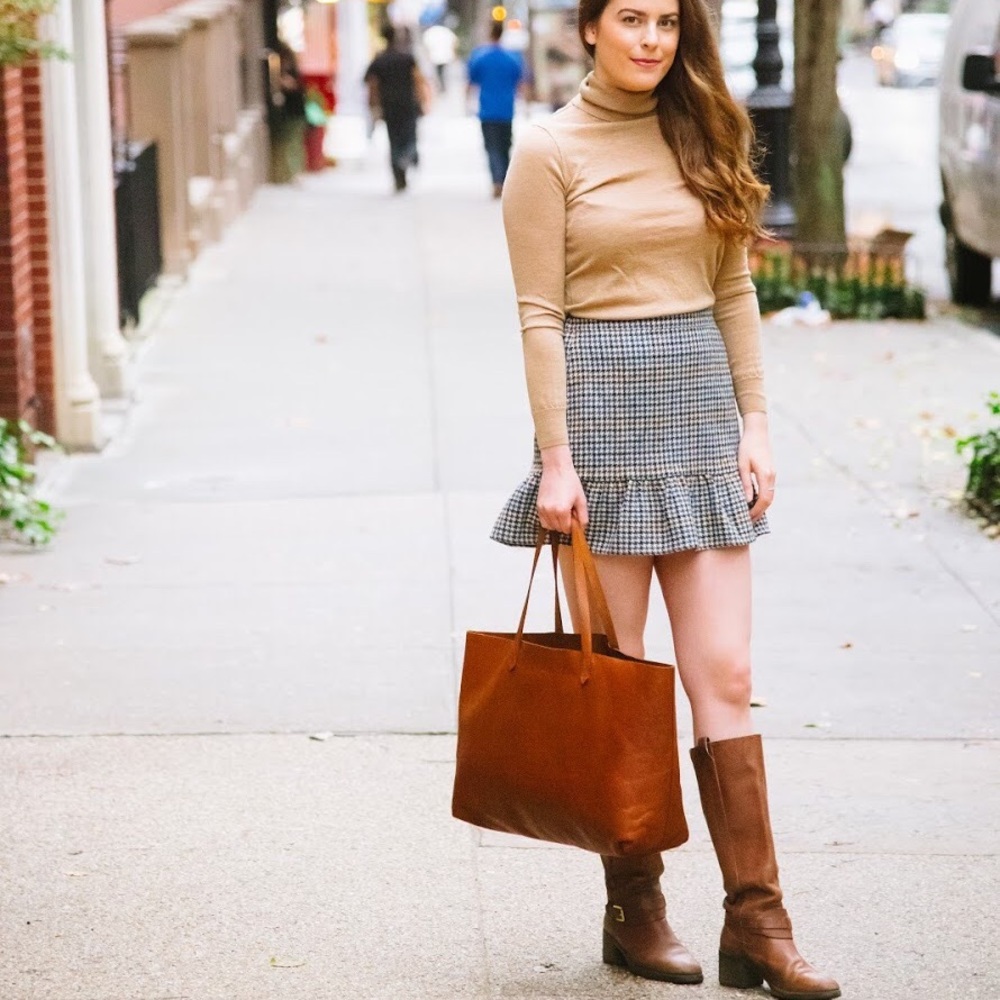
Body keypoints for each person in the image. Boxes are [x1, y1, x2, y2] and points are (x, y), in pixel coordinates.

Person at [491, 0, 842, 997]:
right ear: (590, 28)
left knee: (723, 670)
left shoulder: (709, 129)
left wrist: (757, 424)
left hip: (698, 419)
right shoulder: (547, 151)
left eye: (666, 22)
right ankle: (634, 907)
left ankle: (757, 925)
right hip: (598, 425)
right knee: (625, 687)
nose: (650, 39)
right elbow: (538, 317)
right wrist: (556, 460)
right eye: (630, 18)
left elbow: (734, 288)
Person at [364, 24, 431, 192]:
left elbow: (372, 84)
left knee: (394, 140)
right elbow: (418, 80)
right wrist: (423, 101)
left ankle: (398, 175)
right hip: (408, 105)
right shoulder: (407, 58)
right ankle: (407, 158)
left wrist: (374, 106)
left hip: (389, 107)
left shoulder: (379, 60)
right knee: (409, 137)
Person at [467, 22, 524, 198]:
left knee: (491, 147)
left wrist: (466, 101)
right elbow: (520, 81)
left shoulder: (480, 56)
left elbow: (471, 81)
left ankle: (496, 181)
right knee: (505, 146)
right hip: (506, 109)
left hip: (487, 110)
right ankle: (504, 179)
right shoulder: (512, 58)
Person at [422, 22, 458, 91]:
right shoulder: (446, 31)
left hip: (435, 56)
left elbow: (426, 45)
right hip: (446, 55)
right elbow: (454, 41)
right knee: (442, 71)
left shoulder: (430, 32)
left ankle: (441, 85)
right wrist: (453, 52)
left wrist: (428, 54)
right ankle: (442, 85)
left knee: (439, 72)